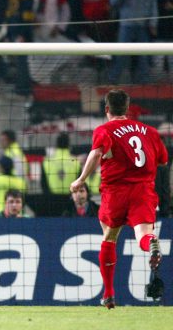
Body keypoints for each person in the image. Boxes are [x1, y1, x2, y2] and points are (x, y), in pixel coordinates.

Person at [70, 89, 168, 309]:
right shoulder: (149, 131)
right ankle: (149, 243)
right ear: (128, 107)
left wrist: (81, 179)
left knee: (109, 237)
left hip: (115, 192)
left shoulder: (104, 130)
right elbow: (162, 160)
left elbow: (96, 153)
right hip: (143, 191)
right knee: (143, 235)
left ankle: (109, 294)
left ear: (106, 109)